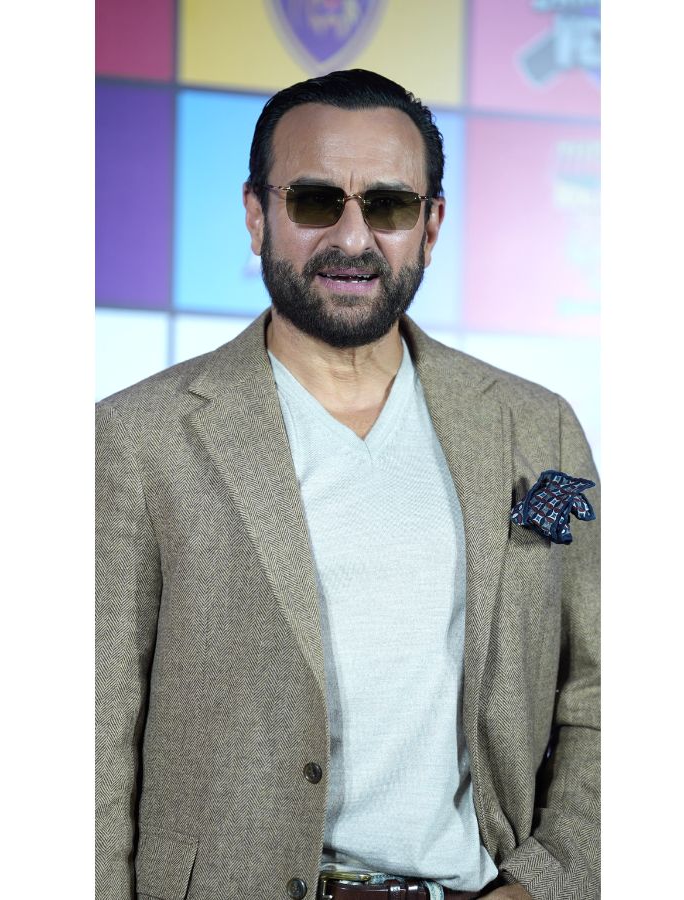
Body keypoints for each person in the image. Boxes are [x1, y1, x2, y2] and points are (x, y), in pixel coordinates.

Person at [96, 69, 599, 900]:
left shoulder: (536, 427)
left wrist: (548, 884)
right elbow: (93, 738)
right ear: (256, 214)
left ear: (431, 227)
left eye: (390, 206)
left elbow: (602, 693)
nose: (353, 238)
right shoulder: (136, 440)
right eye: (315, 201)